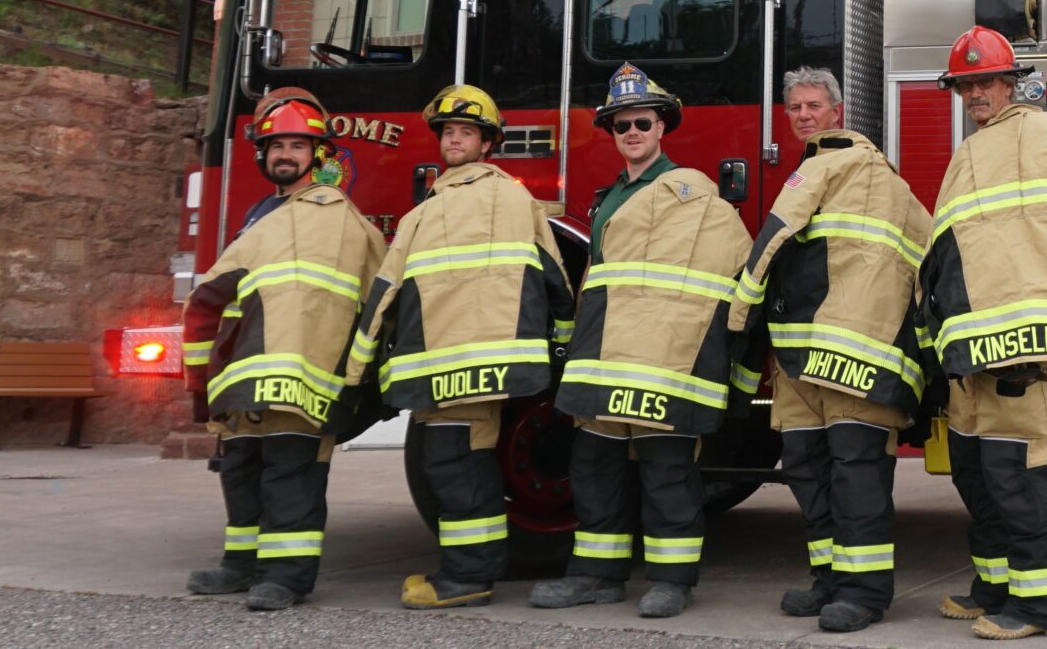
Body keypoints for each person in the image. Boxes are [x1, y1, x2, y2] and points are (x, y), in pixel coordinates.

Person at [342, 82, 576, 610]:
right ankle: (470, 570)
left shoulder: (427, 212)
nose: (454, 140)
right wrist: (561, 350)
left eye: (465, 132)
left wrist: (355, 373)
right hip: (493, 366)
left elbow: (383, 294)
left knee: (455, 465)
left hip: (445, 366)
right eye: (448, 131)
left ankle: (467, 577)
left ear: (487, 143)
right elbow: (557, 278)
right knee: (465, 462)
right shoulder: (517, 198)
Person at [532, 66, 753, 619]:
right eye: (620, 124)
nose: (631, 131)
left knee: (667, 469)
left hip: (663, 361)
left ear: (662, 127)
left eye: (642, 122)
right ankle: (596, 576)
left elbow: (732, 272)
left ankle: (673, 581)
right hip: (606, 357)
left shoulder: (693, 195)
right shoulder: (610, 200)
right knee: (593, 467)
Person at [921, 27, 1047, 641]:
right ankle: (997, 588)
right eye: (966, 84)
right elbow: (947, 251)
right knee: (975, 470)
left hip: (1021, 340)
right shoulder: (968, 153)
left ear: (1011, 81)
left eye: (986, 81)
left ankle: (1042, 607)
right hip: (971, 345)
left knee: (1016, 470)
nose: (976, 92)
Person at [729, 66, 931, 634]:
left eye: (813, 106)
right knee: (811, 467)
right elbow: (930, 246)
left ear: (837, 114)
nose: (803, 115)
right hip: (808, 358)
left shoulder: (825, 164)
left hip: (843, 356)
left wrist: (737, 317)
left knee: (851, 471)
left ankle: (864, 592)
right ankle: (830, 579)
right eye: (794, 107)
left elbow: (773, 235)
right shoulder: (890, 179)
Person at [180, 88, 385, 611]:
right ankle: (240, 565)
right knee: (242, 466)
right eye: (276, 147)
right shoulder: (262, 215)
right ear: (262, 155)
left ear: (319, 156)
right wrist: (206, 386)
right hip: (249, 372)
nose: (285, 155)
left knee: (292, 473)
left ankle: (288, 578)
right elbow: (217, 299)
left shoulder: (339, 220)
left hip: (306, 376)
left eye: (297, 146)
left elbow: (370, 303)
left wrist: (355, 384)